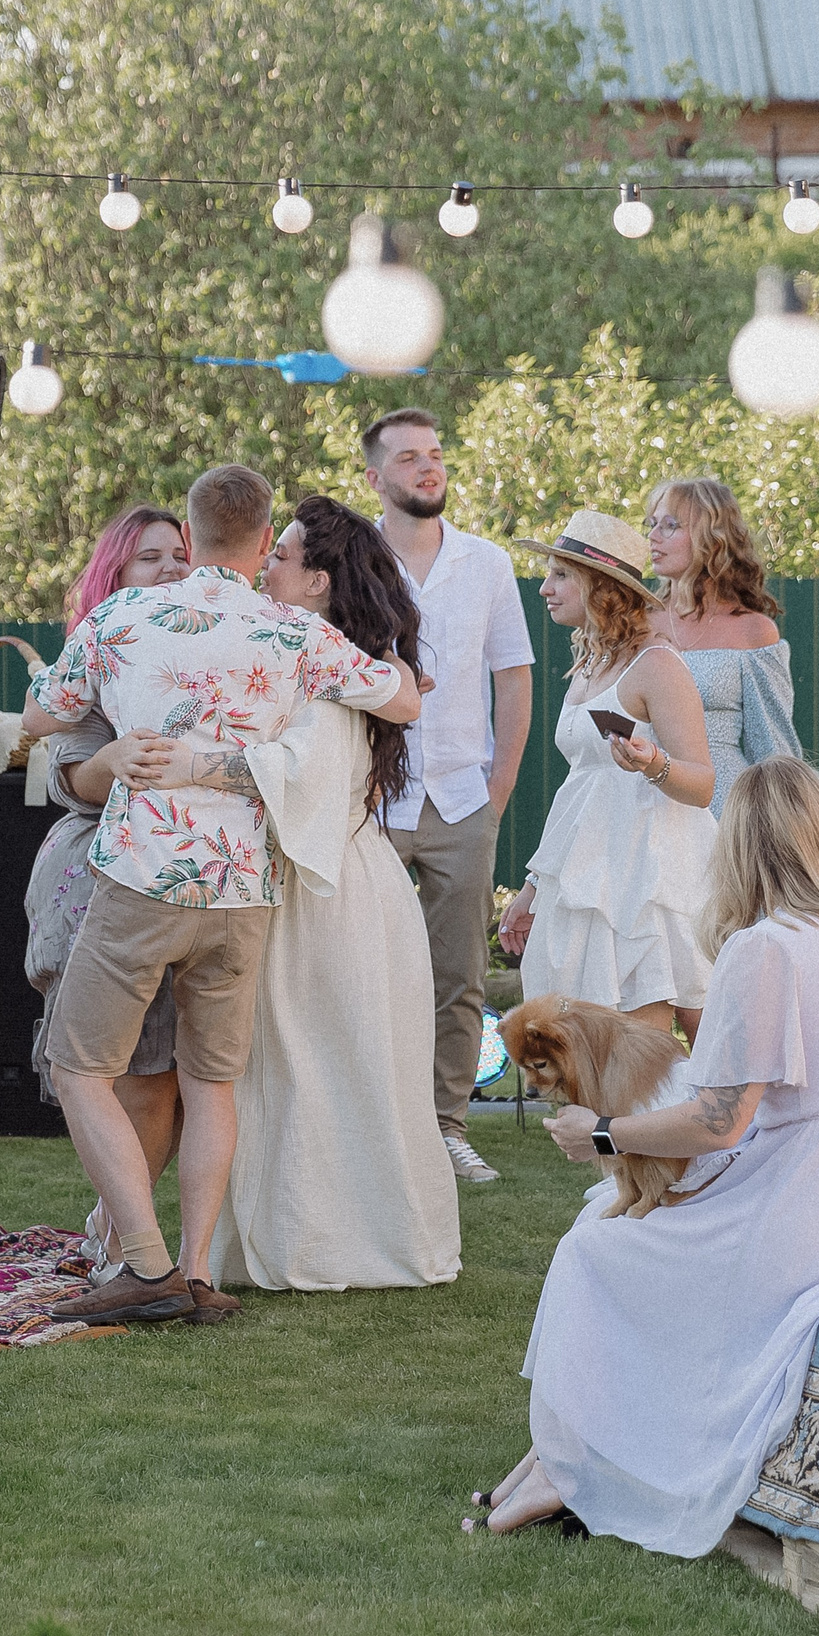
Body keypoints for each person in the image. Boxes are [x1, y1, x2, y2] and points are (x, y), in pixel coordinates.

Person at [480, 757, 819, 1544]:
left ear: (740, 851)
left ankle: (571, 1467)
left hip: (805, 1217)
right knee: (606, 1220)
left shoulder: (767, 949)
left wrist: (602, 1130)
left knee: (595, 1248)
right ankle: (559, 1451)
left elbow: (720, 1121)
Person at [22, 464, 421, 1327]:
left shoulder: (121, 617)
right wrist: (384, 633)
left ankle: (145, 1262)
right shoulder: (295, 632)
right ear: (263, 536)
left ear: (191, 533)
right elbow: (404, 701)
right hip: (243, 889)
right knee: (212, 1084)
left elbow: (39, 715)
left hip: (143, 875)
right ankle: (197, 1272)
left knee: (77, 1065)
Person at [115, 496, 463, 1291]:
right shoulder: (308, 656)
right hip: (315, 877)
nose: (265, 564)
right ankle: (274, 1234)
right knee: (294, 1067)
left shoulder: (329, 672)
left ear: (317, 582)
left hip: (329, 893)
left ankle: (326, 1242)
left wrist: (189, 764)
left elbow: (300, 771)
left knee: (321, 1066)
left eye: (282, 556)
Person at [365, 409, 536, 1185]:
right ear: (376, 477)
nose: (427, 466)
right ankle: (371, 1129)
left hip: (464, 798)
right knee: (360, 966)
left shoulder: (487, 563)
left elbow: (514, 676)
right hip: (372, 798)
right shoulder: (352, 560)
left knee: (459, 976)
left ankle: (447, 1129)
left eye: (434, 453)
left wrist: (499, 787)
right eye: (408, 457)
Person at [23, 504, 192, 1274]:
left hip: (198, 874)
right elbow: (70, 775)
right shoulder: (96, 648)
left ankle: (117, 1229)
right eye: (149, 556)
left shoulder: (218, 649)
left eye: (179, 554)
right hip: (103, 870)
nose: (170, 568)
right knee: (121, 1070)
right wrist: (115, 761)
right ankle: (127, 1241)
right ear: (115, 572)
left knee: (173, 1076)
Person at [496, 511, 718, 1037]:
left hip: (649, 879)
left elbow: (703, 783)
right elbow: (582, 791)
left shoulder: (657, 664)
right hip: (595, 873)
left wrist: (653, 763)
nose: (545, 588)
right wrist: (534, 886)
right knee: (590, 1042)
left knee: (661, 1045)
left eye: (561, 575)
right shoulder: (590, 665)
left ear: (601, 586)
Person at [643, 476, 802, 818]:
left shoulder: (753, 631)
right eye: (651, 524)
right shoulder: (636, 625)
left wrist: (780, 827)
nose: (653, 536)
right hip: (642, 805)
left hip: (723, 811)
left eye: (670, 525)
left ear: (711, 537)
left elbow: (773, 748)